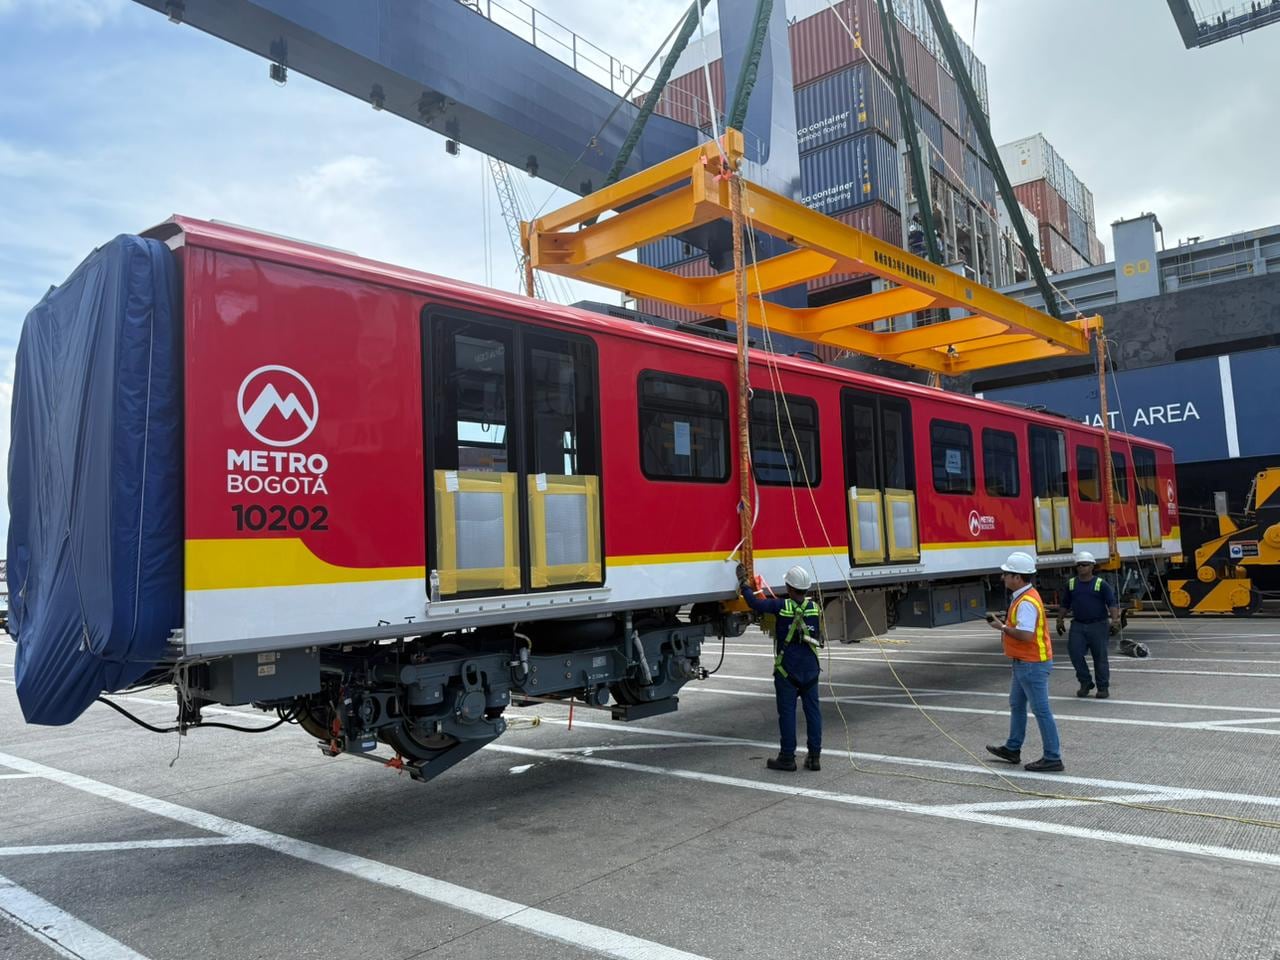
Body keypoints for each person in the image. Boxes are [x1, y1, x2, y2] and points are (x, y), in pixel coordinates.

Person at [739, 563, 823, 772]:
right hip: (811, 670)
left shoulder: (781, 606)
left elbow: (755, 603)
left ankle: (787, 758)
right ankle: (814, 758)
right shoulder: (814, 608)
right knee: (813, 712)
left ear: (789, 587)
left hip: (788, 671)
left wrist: (744, 584)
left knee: (787, 713)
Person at [985, 551, 1064, 773]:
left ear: (1017, 577)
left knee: (1041, 710)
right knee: (1017, 704)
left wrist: (1001, 627)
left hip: (1032, 663)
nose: (1003, 578)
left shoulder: (1026, 601)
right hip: (1025, 662)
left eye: (1006, 574)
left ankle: (1052, 757)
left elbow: (1026, 635)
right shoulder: (1025, 596)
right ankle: (1012, 748)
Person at [1056, 551, 1121, 699]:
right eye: (1078, 565)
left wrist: (1115, 621)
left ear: (1092, 566)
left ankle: (1103, 687)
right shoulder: (1071, 584)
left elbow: (1111, 603)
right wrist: (1060, 619)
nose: (1081, 568)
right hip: (1078, 625)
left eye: (1084, 565)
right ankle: (1085, 682)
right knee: (1075, 653)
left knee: (1100, 658)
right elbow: (1065, 603)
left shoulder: (1100, 584)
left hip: (1098, 625)